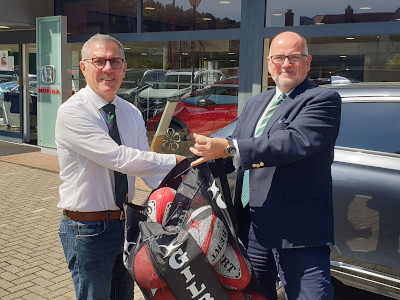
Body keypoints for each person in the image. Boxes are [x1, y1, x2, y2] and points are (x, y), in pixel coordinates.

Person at [190, 31, 341, 300]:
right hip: (252, 225)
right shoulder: (257, 103)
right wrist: (195, 161)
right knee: (254, 293)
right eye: (279, 58)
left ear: (307, 62)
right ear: (269, 63)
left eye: (294, 57)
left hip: (298, 230)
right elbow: (235, 147)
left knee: (310, 295)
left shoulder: (321, 100)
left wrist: (227, 147)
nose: (286, 64)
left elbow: (292, 142)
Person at [55, 33, 184, 300]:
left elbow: (144, 167)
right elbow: (119, 158)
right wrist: (175, 160)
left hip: (127, 225)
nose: (107, 69)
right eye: (98, 61)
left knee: (123, 296)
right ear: (83, 67)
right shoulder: (72, 112)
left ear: (124, 68)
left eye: (115, 62)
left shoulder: (130, 112)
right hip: (87, 230)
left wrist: (184, 182)